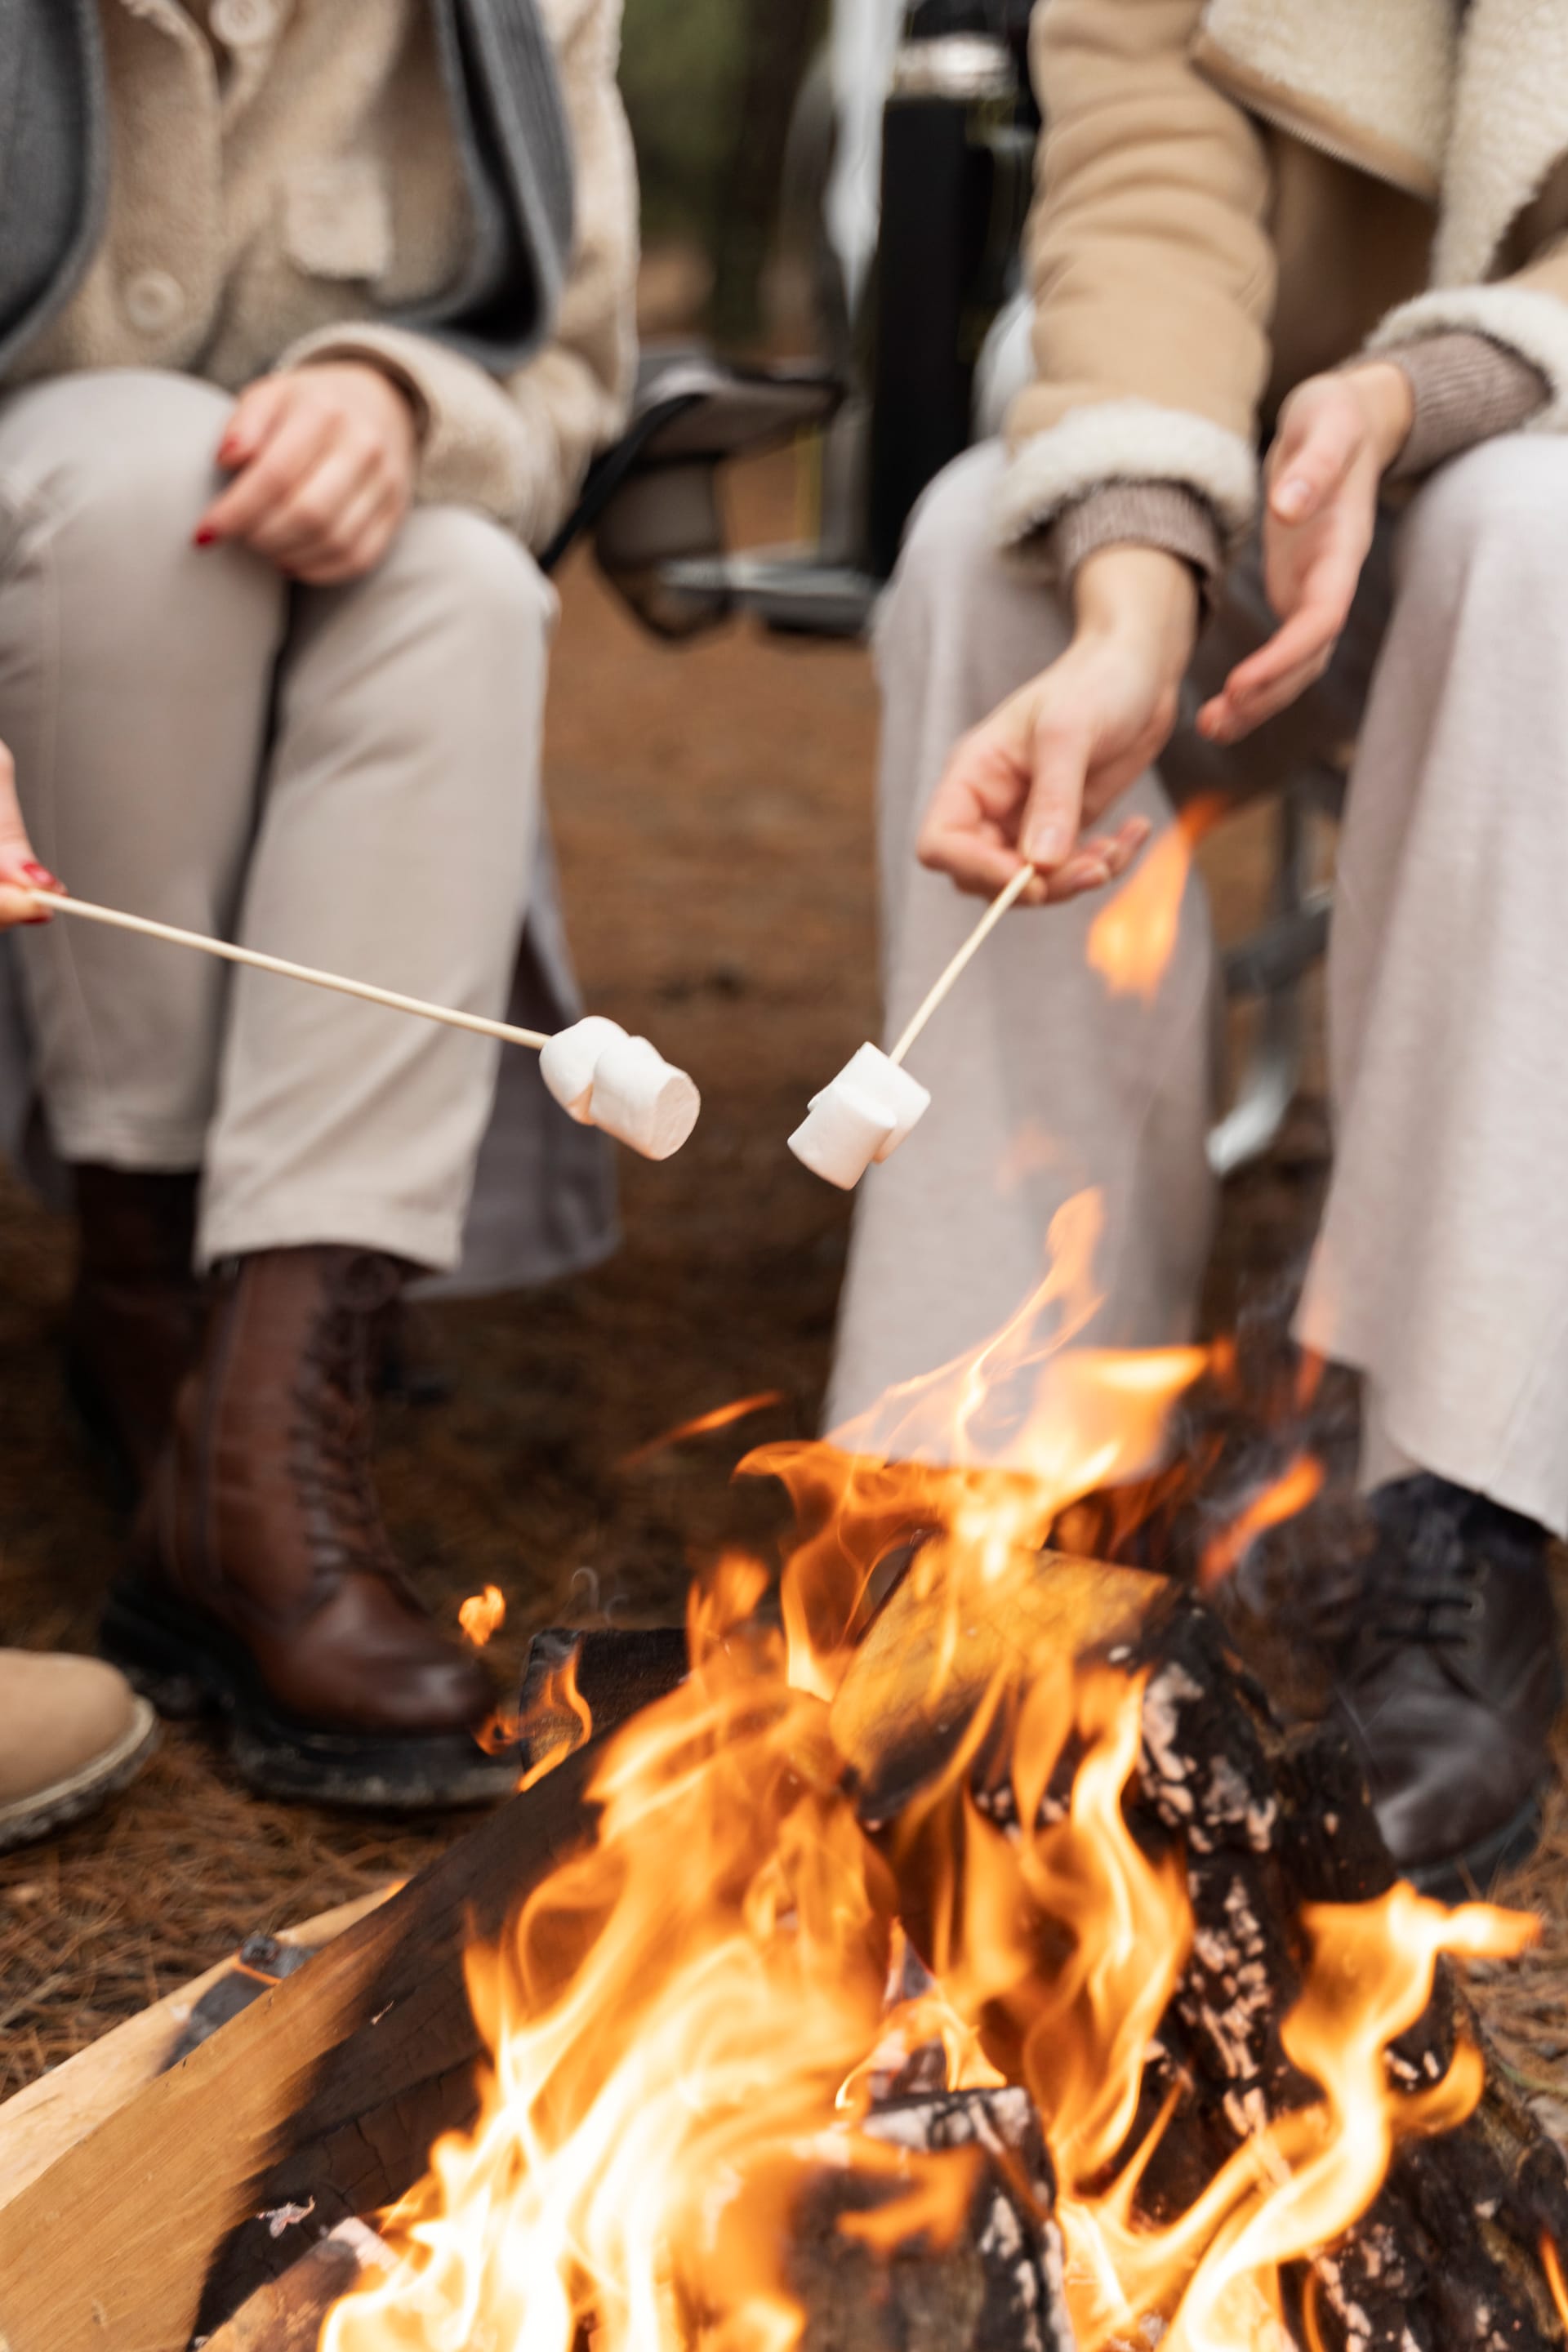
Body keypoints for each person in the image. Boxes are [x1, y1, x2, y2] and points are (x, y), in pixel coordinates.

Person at [830, 0, 1568, 1894]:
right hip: (1282, 456)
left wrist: (1439, 388)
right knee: (967, 560)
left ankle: (1460, 1506)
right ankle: (1014, 1476)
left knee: (1531, 540)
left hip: (1528, 439)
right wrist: (1135, 588)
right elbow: (1142, 187)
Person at [0, 0, 637, 1808]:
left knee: (466, 592)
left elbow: (569, 374)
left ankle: (264, 1424)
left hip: (367, 570)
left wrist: (408, 396)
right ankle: (147, 1279)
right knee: (136, 478)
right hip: (35, 579)